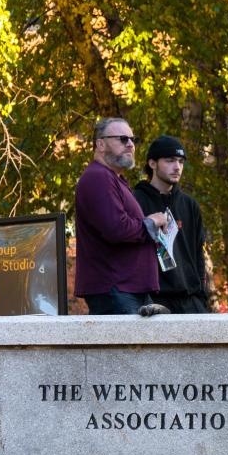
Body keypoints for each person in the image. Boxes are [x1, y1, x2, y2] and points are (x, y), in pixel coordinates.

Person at [75, 118, 169, 314]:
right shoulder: (98, 177)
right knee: (128, 346)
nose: (131, 145)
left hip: (127, 289)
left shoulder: (113, 179)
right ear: (101, 144)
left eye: (133, 140)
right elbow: (116, 229)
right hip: (115, 289)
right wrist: (151, 222)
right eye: (123, 139)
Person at [133, 136, 211, 313]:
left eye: (181, 162)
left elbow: (198, 255)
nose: (177, 167)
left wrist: (200, 296)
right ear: (152, 163)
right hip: (154, 304)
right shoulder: (135, 201)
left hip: (191, 302)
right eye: (169, 161)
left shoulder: (190, 205)